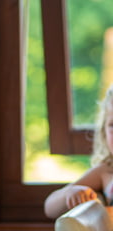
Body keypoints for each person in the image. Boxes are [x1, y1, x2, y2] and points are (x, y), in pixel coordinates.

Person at [44, 83, 113, 219]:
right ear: (103, 132)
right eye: (112, 125)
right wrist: (70, 193)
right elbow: (50, 207)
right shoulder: (106, 171)